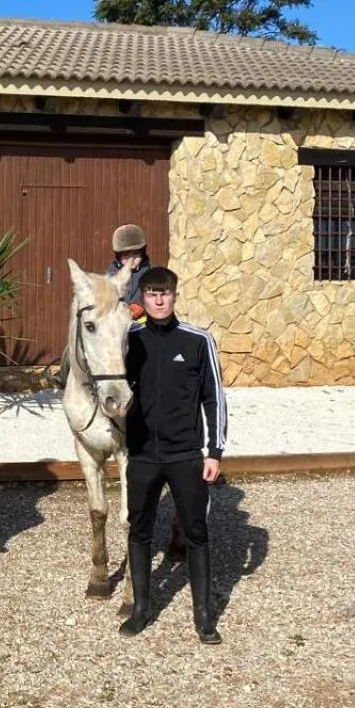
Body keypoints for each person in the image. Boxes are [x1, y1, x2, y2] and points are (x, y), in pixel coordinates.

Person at [120, 265, 227, 642]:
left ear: (175, 296)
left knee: (196, 532)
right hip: (142, 456)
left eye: (164, 293)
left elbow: (215, 399)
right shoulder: (130, 340)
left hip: (186, 455)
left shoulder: (198, 340)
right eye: (152, 294)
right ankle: (141, 609)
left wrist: (215, 452)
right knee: (139, 530)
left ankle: (204, 615)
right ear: (144, 299)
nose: (159, 300)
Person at [106, 224, 151, 320]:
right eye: (126, 255)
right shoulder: (112, 274)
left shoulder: (150, 273)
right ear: (119, 256)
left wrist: (138, 306)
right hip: (118, 319)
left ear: (142, 254)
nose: (131, 259)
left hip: (143, 319)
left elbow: (151, 292)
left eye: (136, 253)